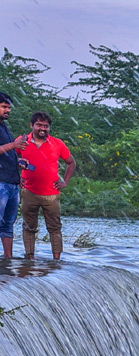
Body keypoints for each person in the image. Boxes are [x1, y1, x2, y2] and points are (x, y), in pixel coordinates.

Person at [19, 111, 75, 260]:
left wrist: (65, 181)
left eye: (46, 126)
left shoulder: (57, 143)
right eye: (39, 125)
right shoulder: (22, 141)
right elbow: (9, 159)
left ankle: (56, 260)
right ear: (32, 125)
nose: (42, 129)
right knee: (29, 227)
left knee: (55, 228)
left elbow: (71, 163)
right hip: (29, 191)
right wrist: (16, 177)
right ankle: (29, 259)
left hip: (51, 193)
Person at [0, 92, 26, 259]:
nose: (7, 110)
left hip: (12, 183)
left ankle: (8, 259)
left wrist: (19, 161)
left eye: (9, 108)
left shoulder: (5, 127)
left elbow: (6, 152)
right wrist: (14, 145)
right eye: (4, 107)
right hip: (1, 182)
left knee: (8, 224)